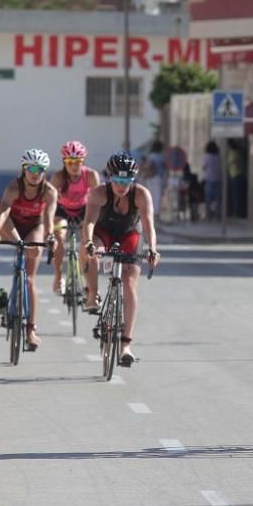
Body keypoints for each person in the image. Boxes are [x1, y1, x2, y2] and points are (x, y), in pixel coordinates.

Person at [82, 153, 160, 367]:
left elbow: (148, 226)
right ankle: (92, 295)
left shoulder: (141, 195)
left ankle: (126, 345)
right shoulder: (99, 193)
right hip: (103, 232)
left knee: (129, 282)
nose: (122, 185)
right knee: (94, 252)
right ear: (109, 177)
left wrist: (152, 249)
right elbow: (88, 222)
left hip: (129, 234)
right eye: (117, 180)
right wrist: (89, 243)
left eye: (127, 181)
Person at [0, 149, 58, 350]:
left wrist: (51, 236)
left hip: (34, 227)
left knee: (29, 278)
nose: (36, 173)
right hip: (13, 227)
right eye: (32, 169)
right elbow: (4, 212)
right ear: (24, 169)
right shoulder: (14, 187)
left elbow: (49, 218)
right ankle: (18, 246)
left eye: (41, 169)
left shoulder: (49, 191)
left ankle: (31, 330)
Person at [49, 141, 100, 295]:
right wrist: (49, 225)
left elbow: (98, 201)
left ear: (82, 161)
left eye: (77, 162)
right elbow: (50, 202)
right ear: (64, 162)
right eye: (70, 162)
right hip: (62, 210)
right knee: (59, 239)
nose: (74, 166)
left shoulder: (90, 175)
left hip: (83, 210)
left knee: (86, 241)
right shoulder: (58, 177)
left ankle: (87, 281)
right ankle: (58, 277)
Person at [143, 141, 167, 220]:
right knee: (157, 196)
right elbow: (165, 167)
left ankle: (150, 213)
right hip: (157, 177)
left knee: (151, 195)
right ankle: (156, 214)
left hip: (149, 178)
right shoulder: (161, 157)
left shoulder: (150, 156)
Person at [202, 141, 222, 220]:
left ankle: (208, 215)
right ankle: (218, 215)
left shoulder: (206, 156)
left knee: (208, 199)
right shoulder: (218, 156)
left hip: (209, 179)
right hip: (218, 179)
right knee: (217, 199)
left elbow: (203, 167)